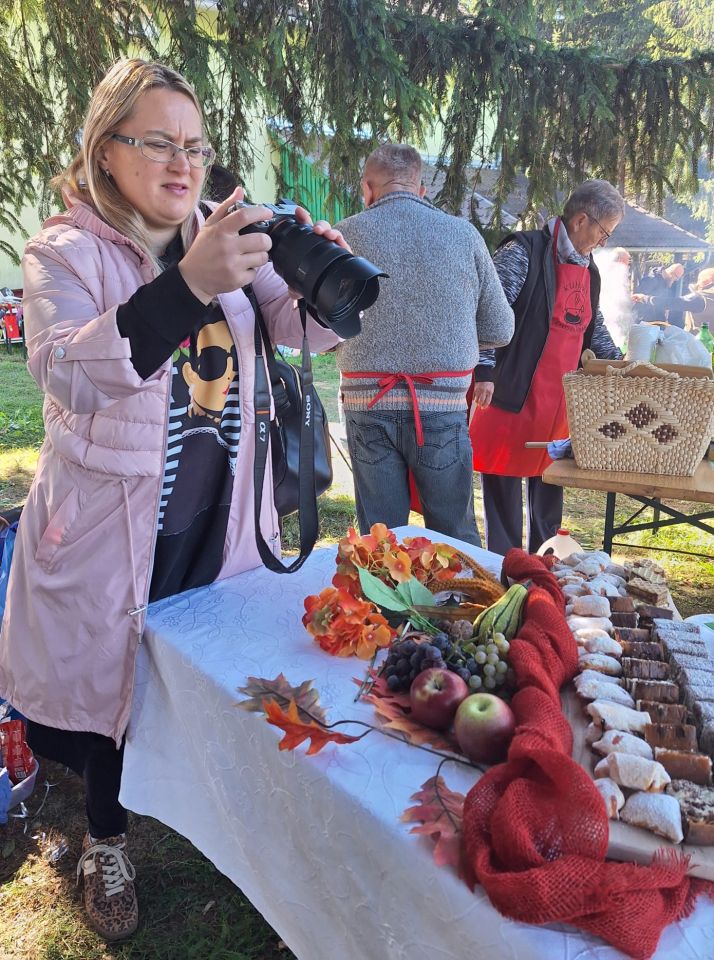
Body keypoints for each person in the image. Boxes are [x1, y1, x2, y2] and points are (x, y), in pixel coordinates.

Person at [0, 59, 345, 941]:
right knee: (116, 691)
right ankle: (106, 838)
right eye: (157, 141)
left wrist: (321, 279)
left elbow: (293, 329)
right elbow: (69, 372)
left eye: (194, 144)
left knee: (206, 680)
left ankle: (223, 822)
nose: (182, 161)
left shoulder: (225, 234)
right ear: (106, 151)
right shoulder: (61, 253)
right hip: (115, 529)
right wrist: (187, 281)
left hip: (220, 515)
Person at [334, 144, 514, 546]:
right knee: (456, 537)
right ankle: (463, 604)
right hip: (443, 408)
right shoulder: (463, 235)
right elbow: (501, 328)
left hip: (368, 407)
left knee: (381, 542)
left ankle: (388, 611)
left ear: (368, 187)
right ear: (422, 188)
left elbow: (319, 330)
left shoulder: (344, 234)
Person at [470, 179, 624, 556]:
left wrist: (622, 367)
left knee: (549, 486)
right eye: (604, 232)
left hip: (559, 402)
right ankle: (504, 567)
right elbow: (488, 313)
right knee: (504, 485)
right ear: (581, 220)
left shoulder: (589, 270)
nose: (604, 242)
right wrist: (484, 371)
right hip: (511, 393)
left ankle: (544, 566)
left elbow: (593, 326)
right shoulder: (522, 251)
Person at [633, 262, 688, 326]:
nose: (676, 280)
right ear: (672, 273)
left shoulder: (667, 282)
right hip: (644, 323)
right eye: (676, 277)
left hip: (657, 324)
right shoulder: (650, 280)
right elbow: (638, 300)